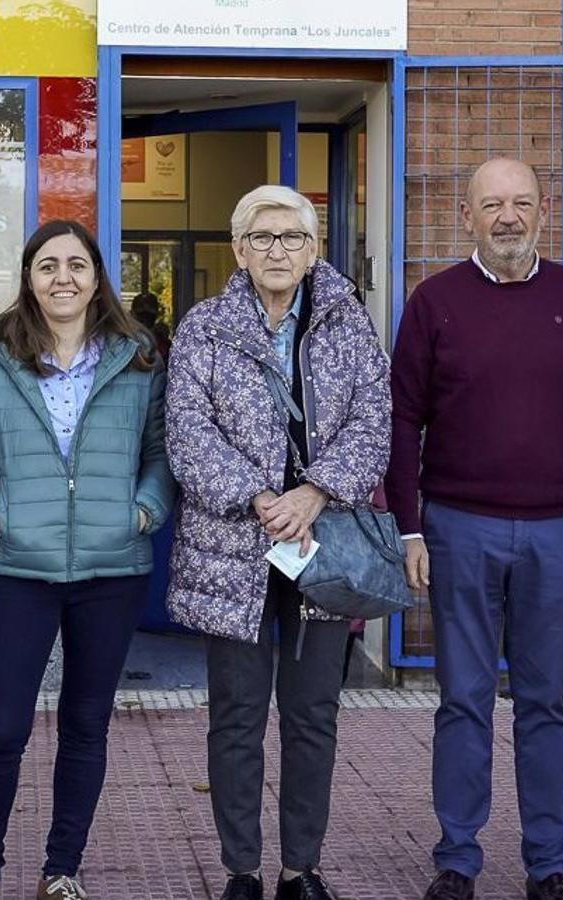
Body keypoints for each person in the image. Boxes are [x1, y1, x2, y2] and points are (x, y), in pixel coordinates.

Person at [383, 157, 563, 900]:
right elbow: (401, 420)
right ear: (467, 217)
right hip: (460, 528)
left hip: (560, 532)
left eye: (522, 203)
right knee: (461, 698)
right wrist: (409, 529)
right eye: (492, 205)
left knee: (544, 702)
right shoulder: (433, 302)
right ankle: (457, 859)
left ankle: (547, 866)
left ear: (545, 210)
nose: (508, 217)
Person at [165, 184, 391, 900]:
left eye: (290, 238)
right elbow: (186, 430)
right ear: (237, 250)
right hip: (232, 547)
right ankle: (242, 869)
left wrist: (314, 492)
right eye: (261, 238)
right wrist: (261, 497)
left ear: (313, 248)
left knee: (311, 713)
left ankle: (301, 868)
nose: (276, 251)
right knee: (235, 715)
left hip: (321, 543)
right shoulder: (203, 328)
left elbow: (373, 420)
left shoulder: (348, 323)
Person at [0, 219, 175, 900]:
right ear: (29, 278)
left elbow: (162, 455)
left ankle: (61, 870)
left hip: (113, 571)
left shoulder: (137, 355)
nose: (63, 278)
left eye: (77, 264)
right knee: (2, 728)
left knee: (85, 725)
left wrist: (145, 512)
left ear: (98, 276)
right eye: (48, 266)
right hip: (19, 569)